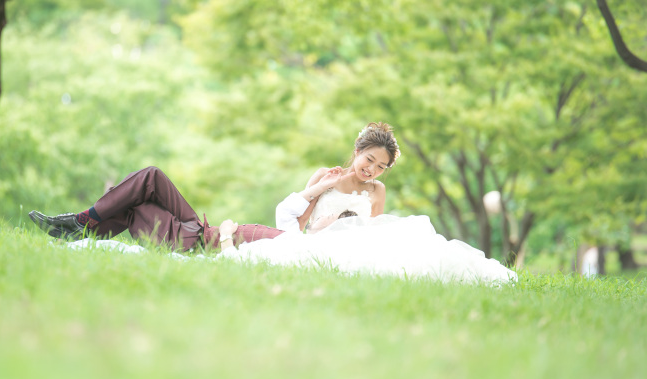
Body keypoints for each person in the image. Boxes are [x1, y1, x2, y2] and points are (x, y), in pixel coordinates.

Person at [220, 122, 518, 284]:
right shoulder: (326, 175)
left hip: (356, 247)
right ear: (357, 150)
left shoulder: (377, 190)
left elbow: (375, 230)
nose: (371, 170)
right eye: (369, 160)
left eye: (380, 166)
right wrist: (319, 222)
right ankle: (224, 241)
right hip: (318, 242)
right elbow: (293, 225)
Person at [28, 166, 283, 251]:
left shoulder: (301, 248)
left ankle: (82, 223)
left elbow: (234, 264)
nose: (324, 219)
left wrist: (227, 233)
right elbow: (292, 209)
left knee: (135, 199)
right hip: (194, 229)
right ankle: (81, 227)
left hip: (194, 244)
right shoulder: (295, 235)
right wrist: (320, 182)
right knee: (148, 179)